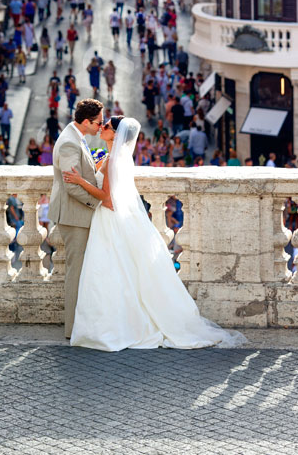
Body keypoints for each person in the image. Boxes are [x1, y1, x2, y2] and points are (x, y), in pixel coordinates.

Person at [63, 116, 246, 351]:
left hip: (109, 218)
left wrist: (79, 180)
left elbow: (106, 198)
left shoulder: (112, 160)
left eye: (106, 126)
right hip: (116, 218)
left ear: (116, 135)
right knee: (120, 271)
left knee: (109, 270)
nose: (102, 127)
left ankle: (115, 325)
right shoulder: (118, 158)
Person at [49, 99, 111, 339]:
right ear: (86, 122)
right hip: (75, 218)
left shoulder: (75, 136)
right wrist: (99, 202)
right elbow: (72, 187)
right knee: (76, 273)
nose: (101, 126)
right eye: (98, 122)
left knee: (83, 270)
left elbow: (79, 175)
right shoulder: (68, 143)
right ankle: (73, 329)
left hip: (78, 215)